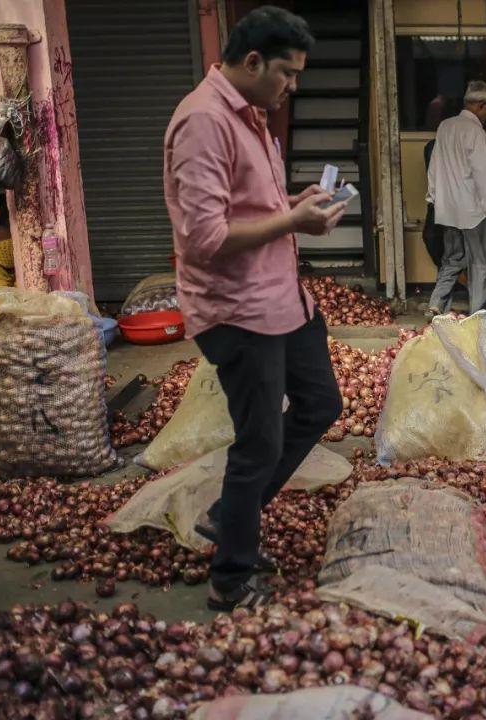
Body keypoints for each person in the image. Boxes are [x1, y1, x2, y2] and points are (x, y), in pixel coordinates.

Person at [163, 6, 347, 610]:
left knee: (320, 402)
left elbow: (248, 208)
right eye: (287, 74)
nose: (294, 86)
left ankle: (229, 514)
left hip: (282, 299)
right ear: (251, 62)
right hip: (237, 311)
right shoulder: (203, 123)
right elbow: (204, 239)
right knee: (259, 443)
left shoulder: (252, 117)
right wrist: (291, 219)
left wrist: (295, 204)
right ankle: (231, 578)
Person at [426, 81, 486, 317]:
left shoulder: (445, 126)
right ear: (481, 106)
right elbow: (481, 178)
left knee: (451, 259)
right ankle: (479, 316)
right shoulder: (477, 134)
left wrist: (433, 197)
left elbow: (434, 165)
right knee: (480, 263)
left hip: (447, 207)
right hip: (472, 211)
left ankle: (437, 304)